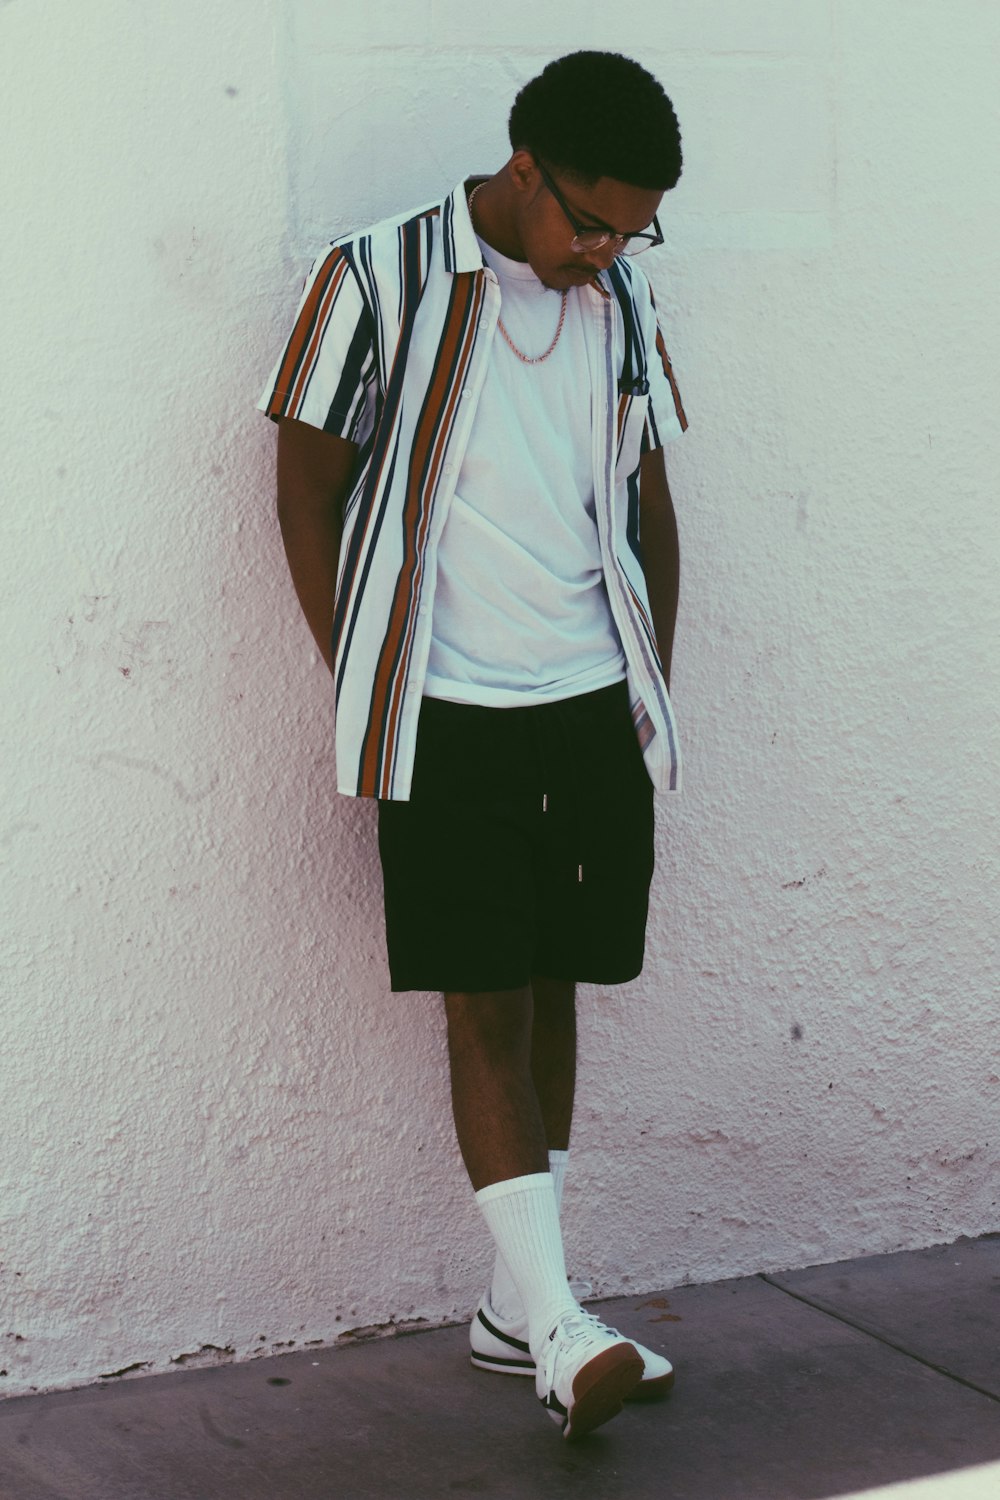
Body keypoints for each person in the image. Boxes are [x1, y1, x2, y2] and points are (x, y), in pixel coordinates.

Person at [257, 50, 688, 1440]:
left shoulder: (617, 297)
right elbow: (305, 492)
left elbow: (650, 499)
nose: (611, 249)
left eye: (635, 228)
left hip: (586, 705)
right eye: (594, 222)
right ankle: (561, 1327)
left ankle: (517, 1308)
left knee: (555, 986)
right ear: (525, 173)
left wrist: (643, 684)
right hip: (450, 714)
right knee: (483, 1003)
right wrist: (375, 675)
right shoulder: (376, 278)